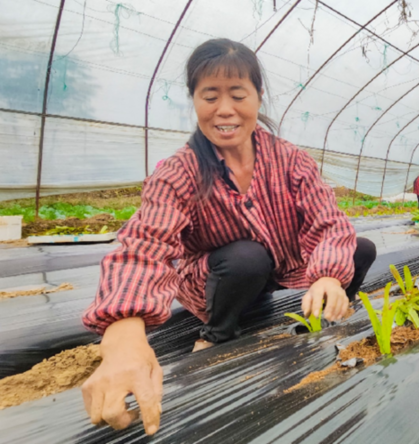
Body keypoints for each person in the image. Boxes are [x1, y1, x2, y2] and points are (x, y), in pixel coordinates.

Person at [80, 39, 377, 435]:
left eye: (238, 94)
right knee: (246, 257)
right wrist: (123, 336)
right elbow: (145, 248)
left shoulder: (290, 159)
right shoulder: (180, 172)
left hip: (282, 267)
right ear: (194, 100)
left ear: (258, 97)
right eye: (210, 96)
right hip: (218, 276)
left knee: (359, 249)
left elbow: (328, 220)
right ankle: (215, 336)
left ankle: (325, 314)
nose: (224, 109)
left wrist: (327, 275)